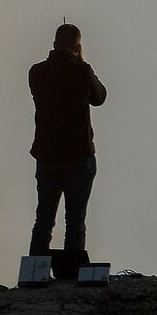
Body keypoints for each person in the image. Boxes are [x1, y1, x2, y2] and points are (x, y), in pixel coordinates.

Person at [28, 24, 107, 256]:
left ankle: (35, 271)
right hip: (78, 154)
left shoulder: (36, 72)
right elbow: (100, 97)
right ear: (78, 47)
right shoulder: (82, 71)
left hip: (47, 155)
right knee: (75, 220)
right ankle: (71, 273)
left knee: (43, 220)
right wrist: (82, 63)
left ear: (54, 45)